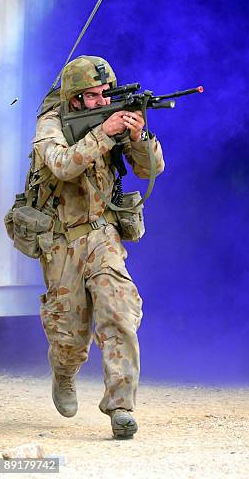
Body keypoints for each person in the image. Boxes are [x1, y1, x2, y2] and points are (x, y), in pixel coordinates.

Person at [32, 55, 165, 438]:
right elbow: (60, 164)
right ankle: (64, 372)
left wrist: (139, 139)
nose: (102, 101)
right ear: (74, 99)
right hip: (62, 240)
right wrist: (104, 132)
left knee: (118, 311)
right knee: (70, 336)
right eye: (92, 96)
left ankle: (121, 405)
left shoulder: (111, 119)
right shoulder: (51, 125)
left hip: (103, 233)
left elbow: (150, 169)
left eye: (106, 93)